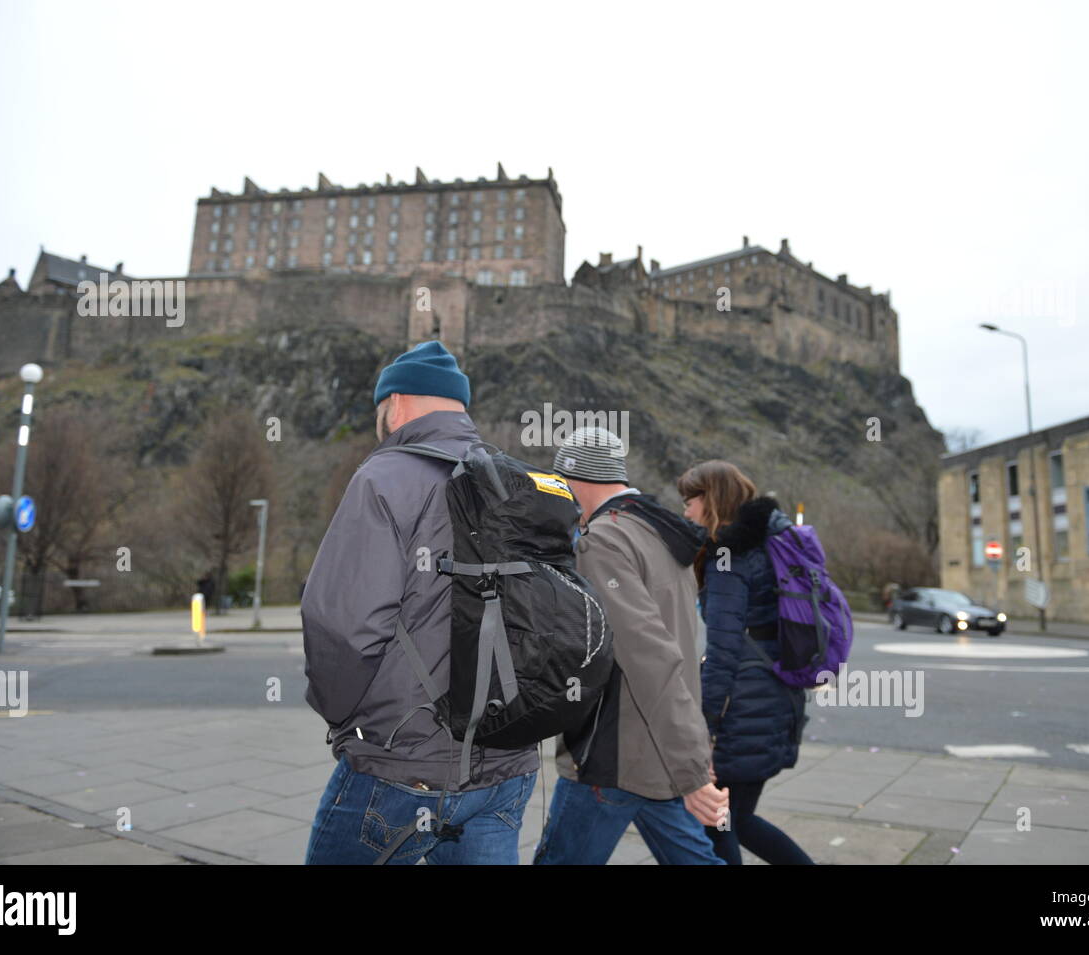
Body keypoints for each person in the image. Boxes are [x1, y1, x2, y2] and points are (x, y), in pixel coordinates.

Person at [302, 341, 537, 865]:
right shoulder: (522, 482)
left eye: (380, 409)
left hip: (403, 766)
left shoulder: (383, 478)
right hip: (508, 766)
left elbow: (341, 625)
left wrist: (340, 716)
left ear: (398, 402)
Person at [533, 427, 728, 865]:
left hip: (613, 752)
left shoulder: (602, 541)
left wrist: (694, 769)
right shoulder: (657, 532)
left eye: (561, 484)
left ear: (575, 481)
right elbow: (677, 646)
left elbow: (649, 657)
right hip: (657, 748)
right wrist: (692, 751)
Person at [678, 460, 814, 865]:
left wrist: (704, 727)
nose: (686, 510)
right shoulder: (772, 544)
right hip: (776, 693)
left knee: (716, 820)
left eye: (691, 500)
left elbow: (723, 651)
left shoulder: (729, 557)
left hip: (743, 707)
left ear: (712, 500)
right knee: (736, 817)